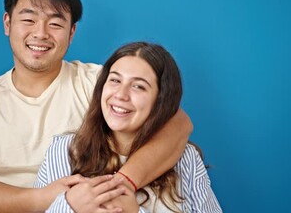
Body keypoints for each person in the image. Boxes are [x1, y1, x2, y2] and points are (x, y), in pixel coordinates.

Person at [0, 0, 193, 212]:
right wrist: (52, 200)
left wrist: (123, 184)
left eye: (55, 23)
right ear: (7, 23)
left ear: (72, 32)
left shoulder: (98, 82)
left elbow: (178, 123)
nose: (41, 33)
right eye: (28, 20)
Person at [35, 41, 222, 212]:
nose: (121, 95)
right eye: (115, 80)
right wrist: (69, 206)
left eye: (138, 86)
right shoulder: (63, 151)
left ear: (160, 100)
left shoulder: (186, 159)